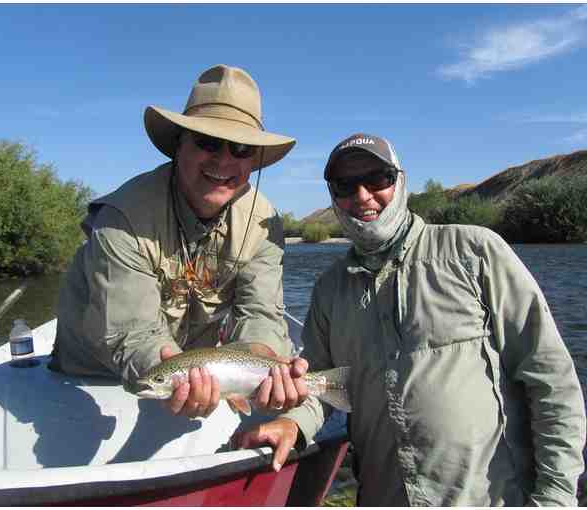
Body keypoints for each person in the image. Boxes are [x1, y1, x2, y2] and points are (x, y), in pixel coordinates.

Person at [233, 132, 587, 505]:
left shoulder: (476, 251)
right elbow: (322, 389)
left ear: (400, 181)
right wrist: (293, 423)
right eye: (346, 185)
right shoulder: (328, 291)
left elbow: (551, 380)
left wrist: (556, 496)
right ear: (334, 197)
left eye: (377, 179)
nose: (363, 196)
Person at [49, 64, 309, 419]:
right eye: (207, 142)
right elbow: (132, 335)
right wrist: (177, 375)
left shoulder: (264, 224)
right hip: (89, 382)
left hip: (194, 380)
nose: (223, 159)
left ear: (254, 160)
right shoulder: (122, 218)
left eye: (241, 148)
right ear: (178, 145)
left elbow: (259, 311)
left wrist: (263, 362)